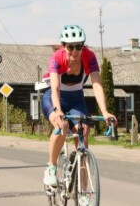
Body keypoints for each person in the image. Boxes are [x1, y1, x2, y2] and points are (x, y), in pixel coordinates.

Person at [42, 24, 117, 187]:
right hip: (55, 98)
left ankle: (83, 191)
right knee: (62, 124)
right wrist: (57, 110)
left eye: (79, 46)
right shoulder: (56, 58)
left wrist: (105, 112)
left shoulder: (89, 57)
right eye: (70, 47)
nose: (75, 51)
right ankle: (51, 167)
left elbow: (97, 85)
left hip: (76, 99)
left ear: (83, 46)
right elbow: (54, 88)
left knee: (83, 131)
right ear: (63, 46)